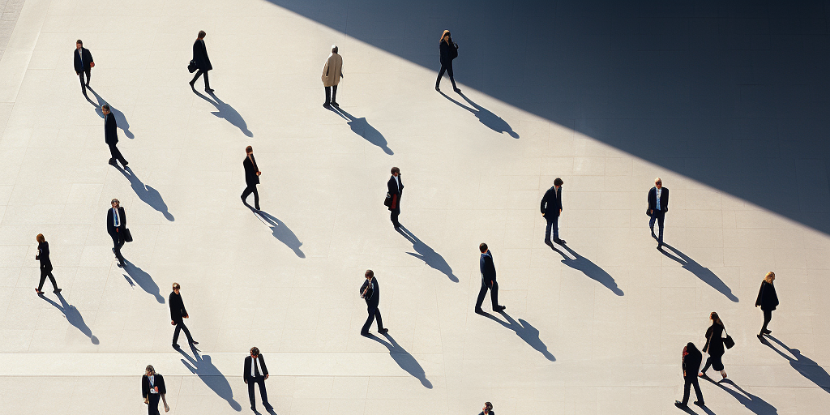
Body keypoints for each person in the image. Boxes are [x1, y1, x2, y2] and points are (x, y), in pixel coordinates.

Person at [475, 243, 505, 313]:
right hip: (488, 279)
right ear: (487, 248)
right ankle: (495, 307)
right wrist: (491, 281)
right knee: (494, 288)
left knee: (483, 291)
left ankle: (477, 308)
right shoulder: (486, 258)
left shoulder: (484, 255)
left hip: (485, 278)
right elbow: (488, 270)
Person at [675, 342, 704, 408]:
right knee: (696, 387)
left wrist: (684, 375)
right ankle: (701, 401)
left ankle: (684, 403)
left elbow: (684, 367)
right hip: (694, 374)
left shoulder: (687, 357)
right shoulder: (699, 354)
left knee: (687, 389)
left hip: (688, 375)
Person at [169, 283, 198, 349]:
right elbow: (171, 308)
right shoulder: (172, 296)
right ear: (174, 289)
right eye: (176, 290)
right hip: (176, 316)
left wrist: (185, 313)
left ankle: (176, 343)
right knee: (182, 328)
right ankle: (189, 340)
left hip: (179, 314)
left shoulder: (178, 294)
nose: (177, 291)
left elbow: (181, 304)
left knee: (179, 329)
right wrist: (172, 319)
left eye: (178, 289)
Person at [700, 312, 727, 380]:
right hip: (720, 347)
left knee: (716, 361)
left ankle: (723, 373)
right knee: (711, 360)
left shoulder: (712, 328)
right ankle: (703, 371)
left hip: (714, 348)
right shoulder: (721, 325)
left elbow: (706, 335)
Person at [360, 270, 388, 336]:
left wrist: (365, 294)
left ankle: (366, 331)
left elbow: (372, 294)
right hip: (372, 303)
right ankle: (366, 331)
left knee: (374, 316)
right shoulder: (369, 281)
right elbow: (362, 288)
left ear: (369, 276)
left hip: (372, 303)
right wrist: (363, 292)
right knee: (373, 316)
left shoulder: (373, 283)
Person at [243, 347, 271, 411]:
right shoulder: (247, 359)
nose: (252, 356)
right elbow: (245, 369)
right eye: (251, 354)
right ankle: (253, 406)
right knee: (251, 392)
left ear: (257, 354)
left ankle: (265, 402)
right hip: (251, 377)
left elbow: (263, 365)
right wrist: (245, 378)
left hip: (259, 376)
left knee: (263, 390)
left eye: (254, 355)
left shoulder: (260, 357)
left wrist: (266, 373)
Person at [541, 178, 565, 246]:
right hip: (549, 212)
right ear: (556, 185)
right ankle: (547, 239)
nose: (560, 187)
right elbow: (543, 201)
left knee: (555, 226)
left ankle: (556, 238)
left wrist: (560, 208)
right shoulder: (550, 191)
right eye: (560, 185)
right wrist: (543, 211)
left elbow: (559, 199)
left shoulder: (559, 190)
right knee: (549, 226)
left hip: (556, 212)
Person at [756, 271, 779, 340]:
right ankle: (761, 332)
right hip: (766, 306)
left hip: (767, 305)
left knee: (768, 318)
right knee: (767, 318)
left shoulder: (767, 282)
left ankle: (764, 329)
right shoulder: (767, 285)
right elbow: (764, 295)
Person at [647, 177, 669, 249]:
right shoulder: (652, 191)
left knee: (661, 226)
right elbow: (649, 200)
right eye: (657, 183)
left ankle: (660, 242)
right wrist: (650, 208)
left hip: (661, 211)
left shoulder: (666, 191)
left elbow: (666, 201)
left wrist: (665, 208)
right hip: (654, 211)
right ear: (655, 184)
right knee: (652, 222)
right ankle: (652, 229)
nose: (659, 184)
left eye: (660, 183)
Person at [107, 199, 127, 268]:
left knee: (121, 242)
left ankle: (116, 251)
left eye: (116, 203)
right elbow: (108, 222)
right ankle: (121, 261)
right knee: (116, 245)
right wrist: (110, 232)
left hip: (120, 229)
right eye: (113, 203)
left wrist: (123, 228)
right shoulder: (110, 211)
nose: (115, 204)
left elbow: (124, 219)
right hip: (113, 230)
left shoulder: (121, 209)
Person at [241, 146, 260, 210]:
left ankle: (243, 196)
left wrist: (257, 172)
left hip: (252, 178)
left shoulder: (251, 157)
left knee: (251, 190)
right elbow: (250, 171)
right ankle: (257, 206)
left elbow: (255, 166)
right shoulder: (246, 161)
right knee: (254, 191)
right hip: (250, 179)